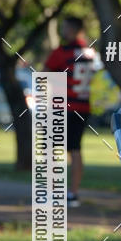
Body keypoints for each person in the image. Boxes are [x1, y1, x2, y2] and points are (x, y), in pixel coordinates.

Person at [44, 15, 95, 207]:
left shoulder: (62, 52)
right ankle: (73, 193)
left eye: (65, 28)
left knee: (53, 150)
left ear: (73, 29)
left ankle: (52, 192)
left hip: (63, 106)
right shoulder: (90, 51)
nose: (62, 32)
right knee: (75, 150)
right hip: (83, 105)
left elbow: (45, 72)